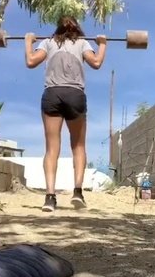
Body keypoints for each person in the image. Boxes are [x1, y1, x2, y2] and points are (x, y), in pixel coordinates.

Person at [25, 16, 107, 212]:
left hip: (52, 94)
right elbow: (96, 62)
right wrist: (102, 44)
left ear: (57, 28)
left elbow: (30, 61)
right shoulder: (82, 43)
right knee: (78, 146)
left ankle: (50, 198)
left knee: (51, 149)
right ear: (76, 28)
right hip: (75, 95)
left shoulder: (48, 42)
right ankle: (78, 192)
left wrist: (28, 41)